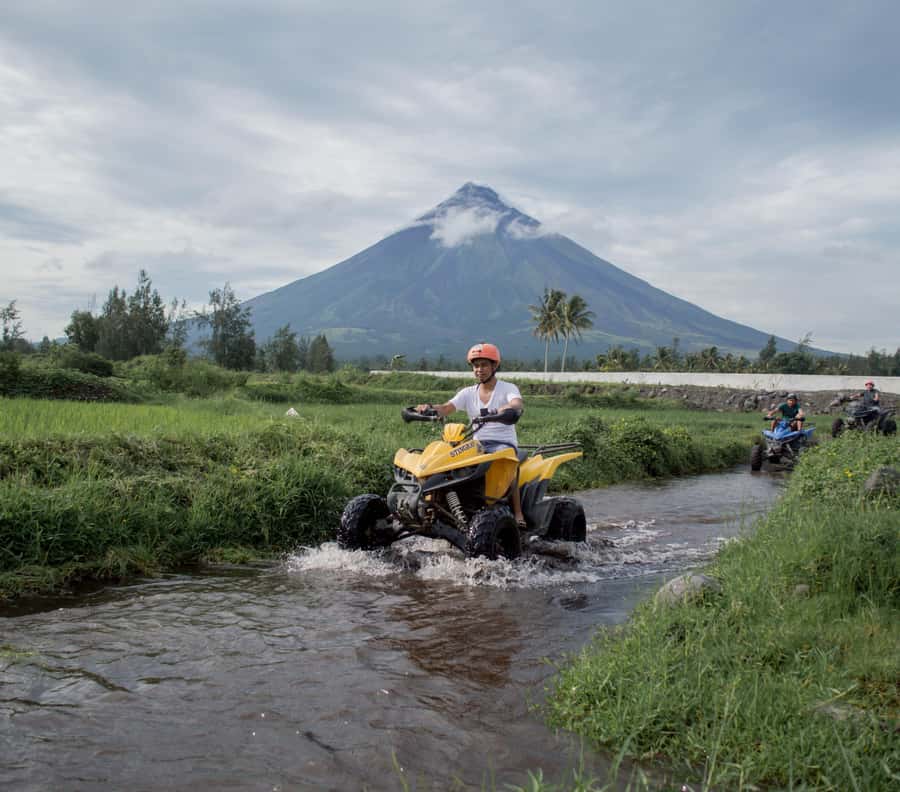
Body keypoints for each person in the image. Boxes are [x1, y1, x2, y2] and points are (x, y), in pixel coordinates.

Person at [415, 342, 527, 528]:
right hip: (477, 443)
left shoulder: (508, 388)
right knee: (445, 462)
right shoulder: (467, 393)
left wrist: (505, 409)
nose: (479, 370)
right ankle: (436, 505)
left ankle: (518, 512)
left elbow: (516, 404)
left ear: (494, 366)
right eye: (476, 366)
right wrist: (428, 408)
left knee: (508, 461)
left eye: (484, 365)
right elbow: (446, 408)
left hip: (502, 442)